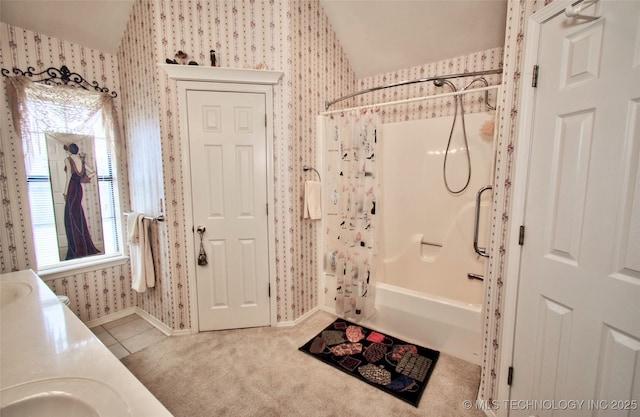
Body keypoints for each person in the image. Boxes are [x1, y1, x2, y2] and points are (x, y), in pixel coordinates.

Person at [63, 143, 100, 260]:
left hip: (72, 189)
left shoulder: (68, 160)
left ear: (69, 150)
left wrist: (65, 192)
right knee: (77, 215)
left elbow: (69, 176)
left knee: (70, 218)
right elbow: (93, 172)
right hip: (79, 189)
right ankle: (83, 245)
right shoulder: (80, 160)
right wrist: (85, 179)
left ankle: (76, 248)